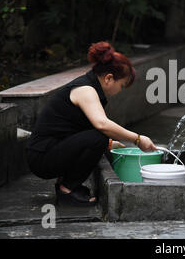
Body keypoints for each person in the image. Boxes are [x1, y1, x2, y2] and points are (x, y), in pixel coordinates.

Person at [26, 41, 157, 207]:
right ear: (109, 78)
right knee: (98, 137)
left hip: (49, 151)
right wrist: (138, 139)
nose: (119, 90)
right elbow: (102, 124)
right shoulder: (85, 89)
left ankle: (67, 185)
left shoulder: (89, 86)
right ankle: (66, 190)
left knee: (102, 140)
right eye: (121, 85)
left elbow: (76, 128)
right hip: (41, 158)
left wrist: (111, 143)